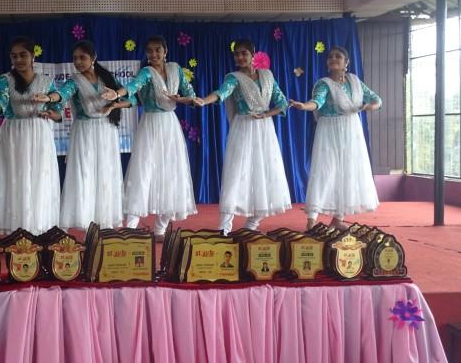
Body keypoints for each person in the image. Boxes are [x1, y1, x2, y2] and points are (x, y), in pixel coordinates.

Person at [102, 36, 199, 239]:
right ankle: (131, 227)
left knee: (171, 173)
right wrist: (117, 94)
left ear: (165, 51)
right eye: (150, 51)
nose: (154, 55)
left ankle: (160, 228)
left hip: (170, 125)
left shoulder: (175, 69)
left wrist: (180, 99)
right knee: (143, 171)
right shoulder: (146, 72)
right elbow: (133, 86)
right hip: (150, 125)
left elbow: (191, 95)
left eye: (157, 50)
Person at [195, 39, 291, 234]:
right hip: (243, 128)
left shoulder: (267, 76)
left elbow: (282, 103)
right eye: (236, 54)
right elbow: (222, 93)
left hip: (264, 130)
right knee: (236, 174)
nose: (240, 57)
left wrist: (266, 114)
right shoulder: (234, 78)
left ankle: (252, 225)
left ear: (253, 54)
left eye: (244, 53)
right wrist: (204, 101)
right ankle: (224, 228)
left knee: (264, 173)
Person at [35, 40, 130, 230]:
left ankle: (104, 222)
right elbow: (62, 94)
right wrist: (50, 98)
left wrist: (114, 105)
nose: (78, 62)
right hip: (84, 132)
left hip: (106, 131)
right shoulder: (74, 81)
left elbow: (130, 99)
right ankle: (86, 223)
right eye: (75, 58)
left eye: (82, 57)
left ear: (93, 58)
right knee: (84, 174)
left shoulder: (107, 79)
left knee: (106, 173)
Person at [0, 37, 61, 235]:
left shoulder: (46, 81)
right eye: (14, 56)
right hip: (14, 133)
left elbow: (57, 110)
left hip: (39, 133)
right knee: (15, 178)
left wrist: (52, 113)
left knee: (39, 178)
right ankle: (17, 228)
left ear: (33, 56)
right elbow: (0, 103)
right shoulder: (5, 79)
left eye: (23, 55)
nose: (19, 60)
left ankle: (37, 226)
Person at [290, 46, 382, 231]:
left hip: (351, 130)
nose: (333, 59)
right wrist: (304, 106)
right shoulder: (324, 84)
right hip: (329, 131)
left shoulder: (354, 81)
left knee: (347, 171)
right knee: (324, 171)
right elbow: (317, 102)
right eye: (330, 57)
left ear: (346, 62)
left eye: (338, 56)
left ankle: (338, 217)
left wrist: (370, 107)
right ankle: (311, 220)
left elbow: (376, 99)